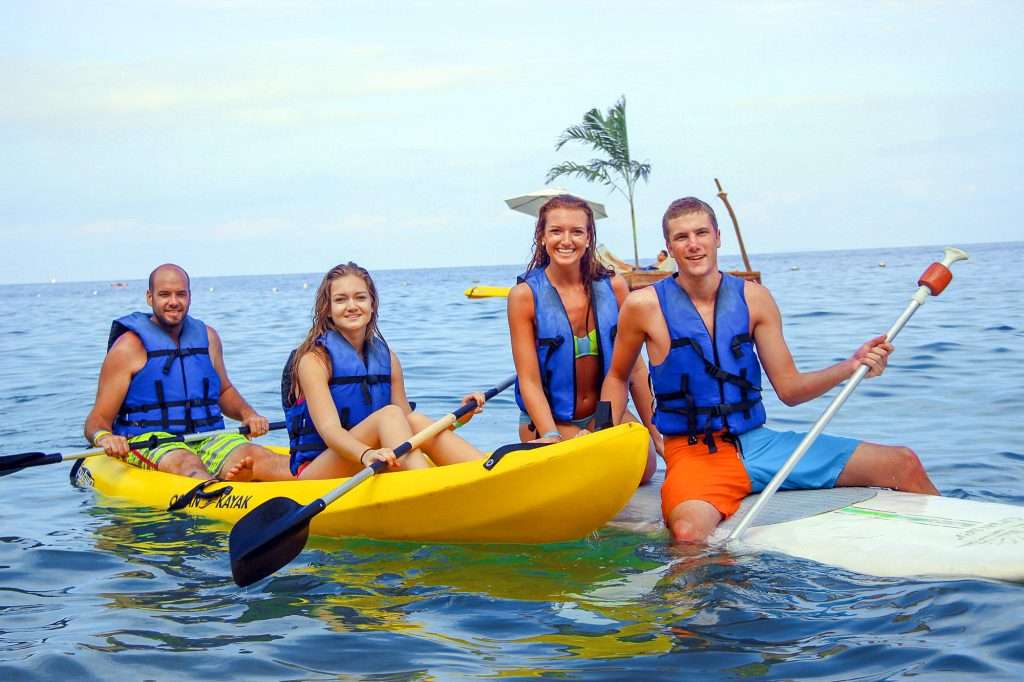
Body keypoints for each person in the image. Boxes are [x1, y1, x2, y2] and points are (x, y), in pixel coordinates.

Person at [601, 197, 939, 542]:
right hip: (695, 453)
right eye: (682, 237)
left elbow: (790, 390)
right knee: (687, 534)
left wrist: (851, 366)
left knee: (903, 463)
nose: (693, 244)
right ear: (669, 247)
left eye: (701, 233)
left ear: (718, 236)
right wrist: (602, 442)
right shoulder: (643, 306)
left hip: (759, 444)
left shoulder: (755, 298)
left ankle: (951, 552)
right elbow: (616, 376)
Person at [84, 264, 291, 482]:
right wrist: (105, 437)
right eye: (164, 294)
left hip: (207, 436)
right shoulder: (128, 348)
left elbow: (223, 391)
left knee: (259, 456)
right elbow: (97, 419)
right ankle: (218, 491)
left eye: (180, 294)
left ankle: (310, 484)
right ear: (149, 297)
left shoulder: (208, 337)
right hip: (150, 441)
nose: (173, 301)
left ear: (189, 296)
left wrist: (248, 414)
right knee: (186, 462)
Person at [508, 194, 661, 484]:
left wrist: (658, 435)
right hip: (550, 422)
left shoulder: (614, 287)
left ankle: (599, 437)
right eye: (556, 231)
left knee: (645, 469)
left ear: (589, 237)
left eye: (576, 231)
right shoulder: (524, 297)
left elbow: (636, 370)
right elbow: (529, 380)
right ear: (541, 236)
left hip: (603, 416)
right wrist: (551, 436)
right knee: (580, 470)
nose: (566, 240)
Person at [284, 262, 486, 479]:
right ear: (328, 309)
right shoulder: (314, 360)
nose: (352, 306)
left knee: (412, 419)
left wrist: (459, 419)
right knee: (389, 415)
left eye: (360, 297)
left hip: (372, 457)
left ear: (372, 305)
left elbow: (410, 427)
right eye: (341, 299)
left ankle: (485, 471)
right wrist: (367, 454)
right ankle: (426, 485)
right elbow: (330, 430)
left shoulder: (387, 358)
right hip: (321, 469)